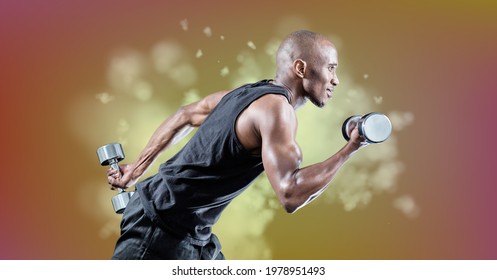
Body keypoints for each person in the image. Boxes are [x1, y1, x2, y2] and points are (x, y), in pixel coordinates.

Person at [106, 30, 367, 259]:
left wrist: (135, 169)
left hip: (192, 233)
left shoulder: (246, 93)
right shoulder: (276, 110)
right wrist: (351, 148)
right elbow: (291, 194)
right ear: (301, 69)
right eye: (331, 68)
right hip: (160, 227)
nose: (335, 79)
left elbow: (186, 114)